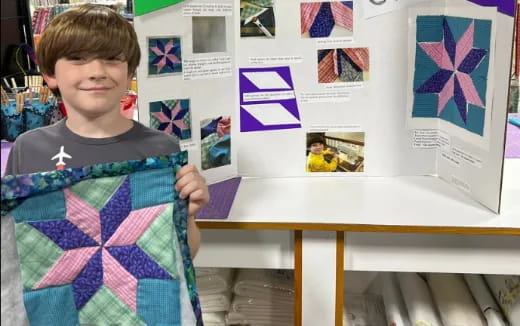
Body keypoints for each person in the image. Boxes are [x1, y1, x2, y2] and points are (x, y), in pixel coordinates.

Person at [4, 4, 208, 258]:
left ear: (130, 71)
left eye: (111, 58)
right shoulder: (29, 148)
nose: (96, 72)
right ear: (49, 74)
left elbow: (181, 255)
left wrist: (187, 215)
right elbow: (13, 246)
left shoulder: (161, 149)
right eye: (77, 58)